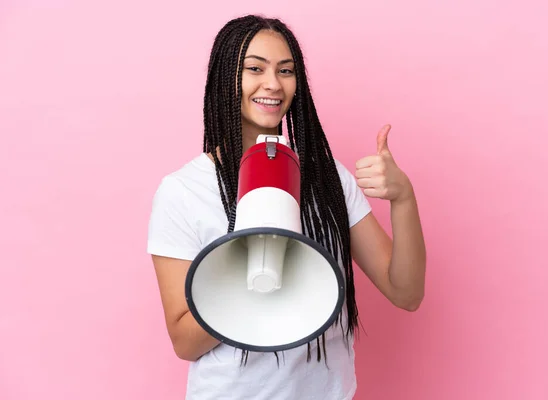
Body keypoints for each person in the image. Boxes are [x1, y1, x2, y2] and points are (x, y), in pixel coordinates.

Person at [147, 14, 426, 400]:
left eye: (286, 70)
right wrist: (259, 265)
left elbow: (406, 293)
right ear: (225, 78)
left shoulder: (329, 179)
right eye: (255, 69)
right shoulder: (183, 191)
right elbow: (184, 342)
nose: (273, 84)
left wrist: (403, 199)